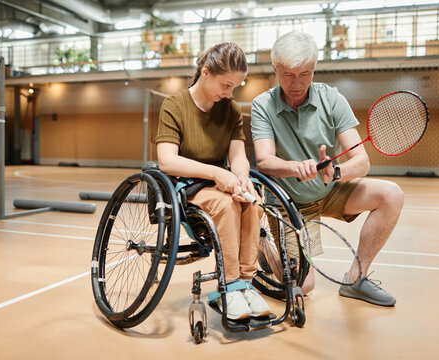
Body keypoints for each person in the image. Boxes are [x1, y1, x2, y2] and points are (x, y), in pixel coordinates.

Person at [251, 31, 403, 307]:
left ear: (314, 68)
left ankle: (356, 279)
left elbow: (361, 162)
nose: (297, 83)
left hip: (329, 190)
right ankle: (264, 245)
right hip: (288, 204)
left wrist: (335, 173)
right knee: (303, 286)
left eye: (305, 73)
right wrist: (295, 167)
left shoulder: (332, 99)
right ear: (275, 69)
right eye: (288, 74)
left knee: (391, 194)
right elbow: (264, 161)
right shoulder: (263, 105)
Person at [155, 42, 271, 319]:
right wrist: (218, 173)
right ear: (205, 72)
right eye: (226, 85)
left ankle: (246, 284)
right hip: (189, 186)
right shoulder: (175, 105)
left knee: (253, 204)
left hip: (223, 182)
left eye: (235, 87)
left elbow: (239, 157)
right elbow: (167, 161)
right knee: (228, 206)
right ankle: (229, 285)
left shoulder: (229, 110)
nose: (230, 93)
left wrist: (242, 180)